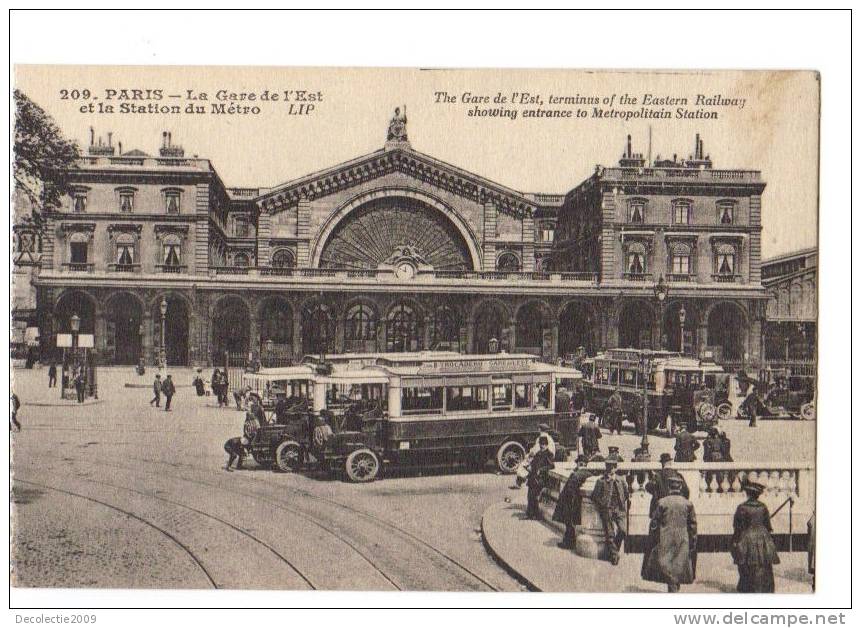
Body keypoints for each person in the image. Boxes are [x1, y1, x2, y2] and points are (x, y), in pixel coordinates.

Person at [641, 475, 698, 592]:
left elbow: (654, 523)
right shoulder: (688, 504)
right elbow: (693, 525)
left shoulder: (662, 503)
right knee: (678, 565)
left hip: (665, 539)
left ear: (669, 487)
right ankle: (674, 589)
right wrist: (692, 540)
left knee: (668, 565)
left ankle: (673, 590)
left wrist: (653, 538)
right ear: (681, 487)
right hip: (682, 539)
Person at [732, 480, 780, 592]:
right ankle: (764, 588)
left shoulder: (742, 507)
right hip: (763, 537)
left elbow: (737, 526)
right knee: (763, 564)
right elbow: (768, 525)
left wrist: (736, 539)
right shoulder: (763, 507)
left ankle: (747, 587)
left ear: (748, 493)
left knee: (746, 563)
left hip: (746, 537)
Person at [591, 460, 629, 565]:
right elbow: (594, 496)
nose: (610, 469)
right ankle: (614, 556)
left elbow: (626, 493)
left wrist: (620, 503)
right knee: (610, 533)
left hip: (619, 509)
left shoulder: (621, 480)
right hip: (607, 510)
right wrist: (603, 503)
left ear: (616, 468)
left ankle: (614, 549)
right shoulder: (601, 481)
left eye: (613, 467)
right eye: (608, 467)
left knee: (623, 530)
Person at [552, 455, 591, 548]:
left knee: (569, 524)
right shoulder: (589, 474)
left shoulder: (575, 475)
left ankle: (568, 543)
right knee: (572, 524)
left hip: (570, 503)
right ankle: (569, 541)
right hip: (579, 502)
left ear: (579, 463)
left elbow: (569, 490)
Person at [525, 436, 555, 520]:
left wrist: (541, 470)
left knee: (534, 496)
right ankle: (530, 514)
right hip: (533, 477)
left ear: (547, 445)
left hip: (541, 478)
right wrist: (529, 466)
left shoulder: (549, 454)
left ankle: (536, 514)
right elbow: (533, 463)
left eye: (544, 444)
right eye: (541, 444)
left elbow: (551, 465)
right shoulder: (538, 453)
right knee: (530, 495)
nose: (542, 446)